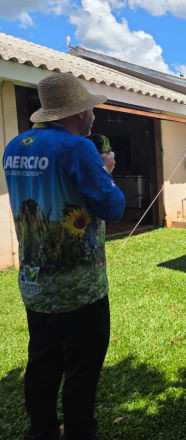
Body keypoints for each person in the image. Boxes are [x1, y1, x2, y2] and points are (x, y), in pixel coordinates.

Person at [3, 73, 125, 440]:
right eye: (90, 108)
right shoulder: (78, 148)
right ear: (78, 113)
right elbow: (113, 207)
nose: (93, 115)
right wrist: (106, 169)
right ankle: (78, 432)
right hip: (79, 288)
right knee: (82, 369)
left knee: (42, 361)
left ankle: (41, 431)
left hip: (34, 283)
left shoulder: (15, 146)